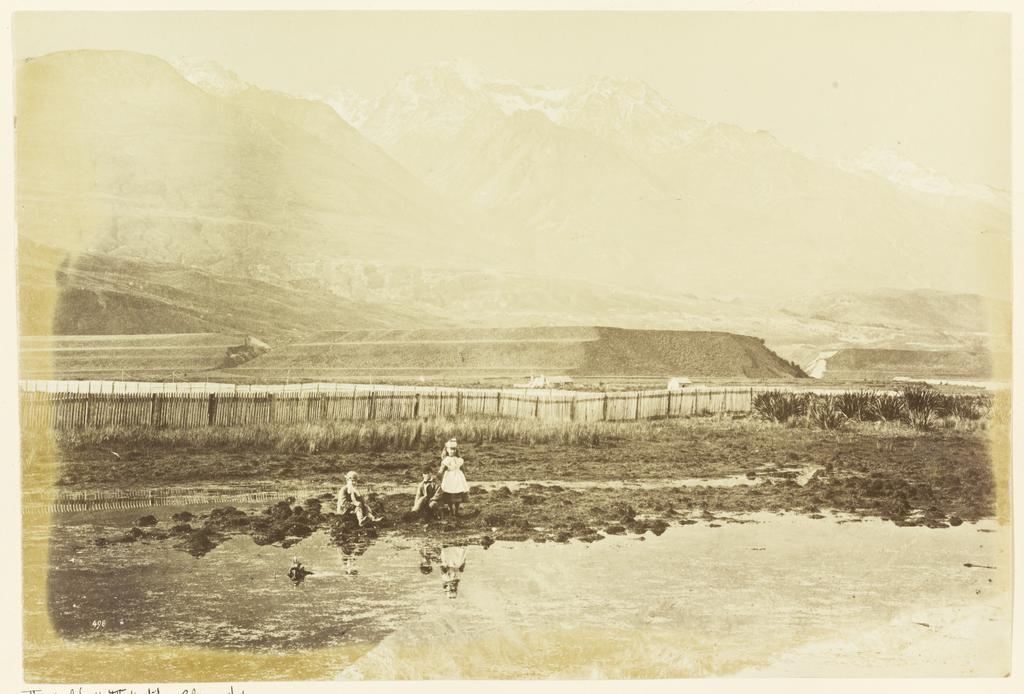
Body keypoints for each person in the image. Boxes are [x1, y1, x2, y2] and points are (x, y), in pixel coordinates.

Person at [433, 438, 470, 517]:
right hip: (449, 478)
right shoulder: (446, 460)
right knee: (449, 493)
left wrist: (464, 477)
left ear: (456, 450)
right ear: (447, 450)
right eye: (451, 450)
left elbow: (463, 469)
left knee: (458, 493)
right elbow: (441, 470)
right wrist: (437, 476)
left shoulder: (459, 459)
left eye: (454, 450)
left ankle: (456, 510)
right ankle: (450, 508)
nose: (452, 451)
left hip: (458, 478)